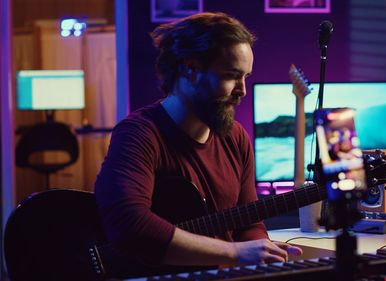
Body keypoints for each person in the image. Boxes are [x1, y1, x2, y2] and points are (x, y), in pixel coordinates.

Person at [94, 12, 302, 276]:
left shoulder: (236, 137)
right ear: (190, 69)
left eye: (245, 77)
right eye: (231, 75)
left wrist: (259, 248)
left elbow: (248, 220)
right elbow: (128, 224)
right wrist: (235, 253)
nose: (242, 90)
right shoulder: (139, 134)